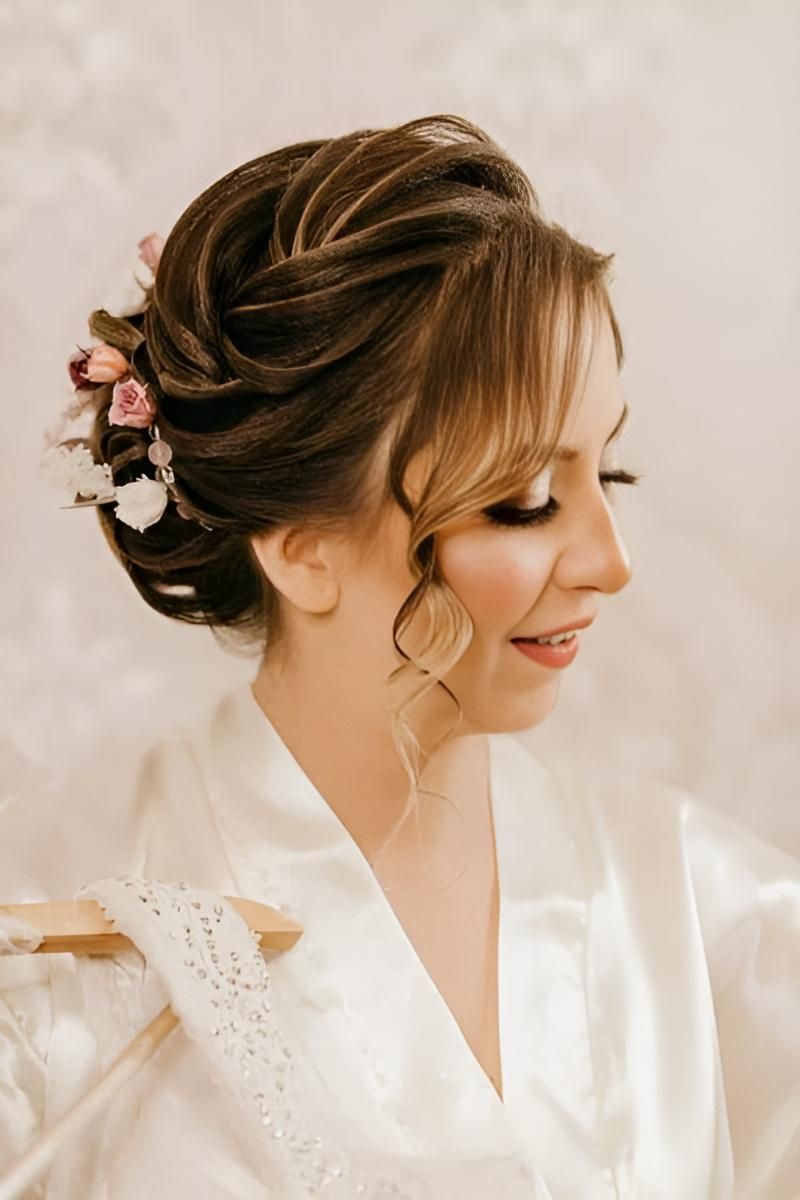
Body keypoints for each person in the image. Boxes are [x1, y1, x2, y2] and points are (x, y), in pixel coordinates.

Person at [1, 114, 798, 1199]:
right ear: (301, 546)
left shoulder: (719, 926)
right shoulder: (55, 958)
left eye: (602, 477)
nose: (609, 565)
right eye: (522, 502)